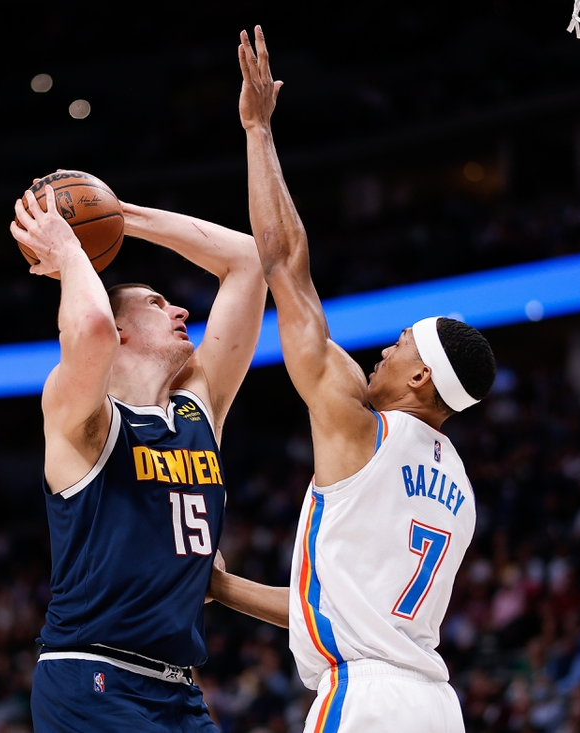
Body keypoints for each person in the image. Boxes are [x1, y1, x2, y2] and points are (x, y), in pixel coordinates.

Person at [208, 27, 497, 732]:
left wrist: (256, 130)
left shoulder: (356, 422)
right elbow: (334, 610)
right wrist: (221, 587)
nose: (381, 355)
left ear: (423, 377)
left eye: (399, 347)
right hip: (433, 705)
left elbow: (284, 264)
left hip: (365, 700)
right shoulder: (459, 489)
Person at [10, 184, 266, 732]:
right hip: (93, 677)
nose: (179, 310)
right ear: (123, 330)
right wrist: (70, 249)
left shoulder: (199, 411)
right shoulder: (83, 417)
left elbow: (245, 260)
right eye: (156, 302)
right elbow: (93, 330)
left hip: (177, 686)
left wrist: (120, 216)